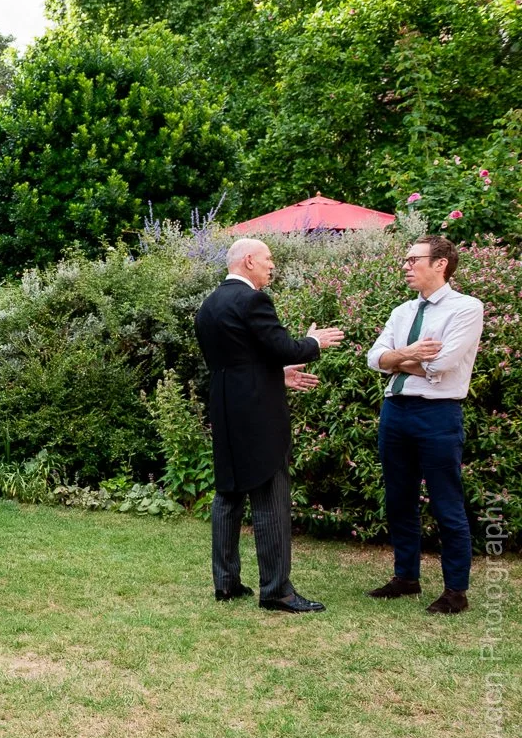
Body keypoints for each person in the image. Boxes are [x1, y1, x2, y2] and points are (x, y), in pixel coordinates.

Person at [195, 238, 345, 613]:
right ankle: (277, 590)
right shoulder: (253, 300)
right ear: (248, 261)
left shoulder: (210, 304)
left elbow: (240, 361)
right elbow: (282, 347)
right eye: (267, 260)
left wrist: (277, 376)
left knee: (228, 494)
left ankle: (226, 584)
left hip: (226, 408)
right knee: (270, 496)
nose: (271, 266)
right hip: (258, 415)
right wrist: (314, 341)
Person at [365, 235, 485, 614]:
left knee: (446, 502)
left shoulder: (466, 308)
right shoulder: (402, 312)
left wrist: (397, 359)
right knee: (399, 499)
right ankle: (406, 578)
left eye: (413, 259)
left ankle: (455, 592)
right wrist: (409, 355)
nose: (405, 265)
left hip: (438, 414)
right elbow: (373, 358)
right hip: (395, 412)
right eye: (406, 259)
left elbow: (442, 364)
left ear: (441, 264)